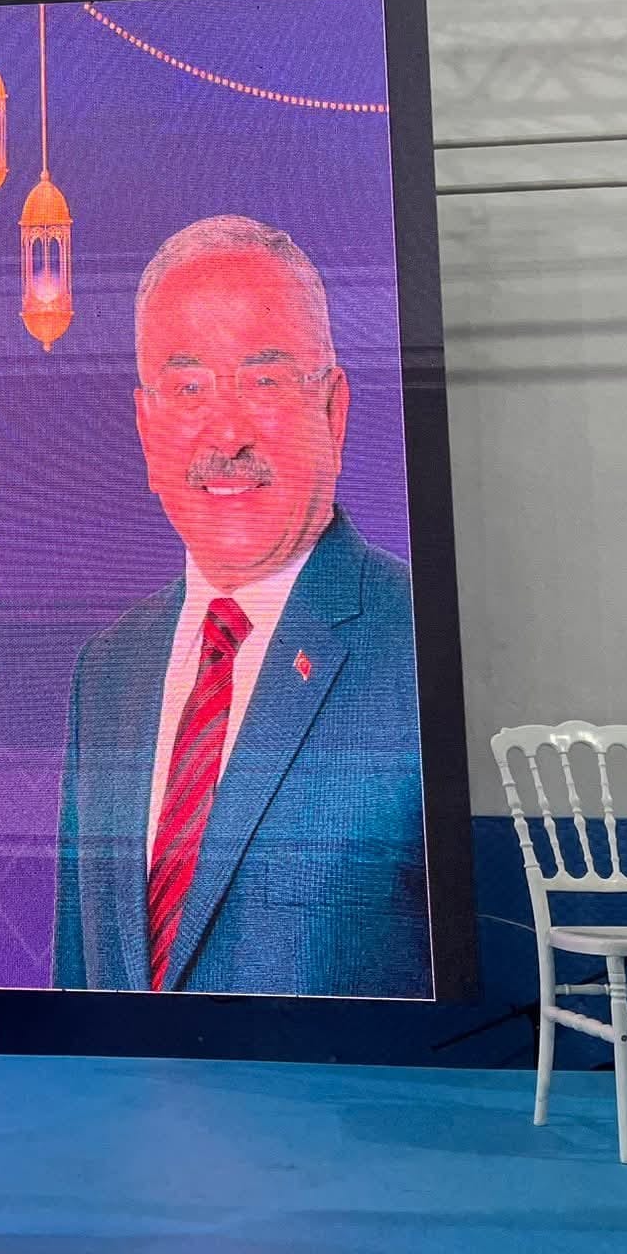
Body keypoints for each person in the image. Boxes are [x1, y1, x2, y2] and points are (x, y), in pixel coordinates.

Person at [53, 214, 429, 997]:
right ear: (146, 427)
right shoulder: (108, 671)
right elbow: (81, 973)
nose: (226, 433)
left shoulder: (417, 646)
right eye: (188, 388)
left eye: (265, 381)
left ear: (334, 411)